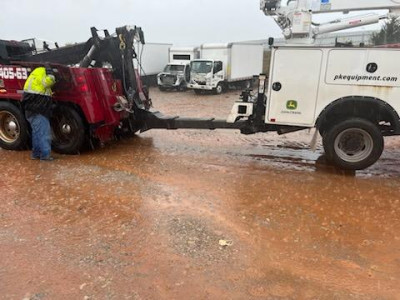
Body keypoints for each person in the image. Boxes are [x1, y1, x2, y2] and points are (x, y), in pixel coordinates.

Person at [22, 66, 56, 161]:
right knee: (44, 133)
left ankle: (36, 154)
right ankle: (45, 156)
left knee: (37, 133)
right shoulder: (43, 73)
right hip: (38, 111)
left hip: (31, 110)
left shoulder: (35, 74)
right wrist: (51, 74)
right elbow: (49, 81)